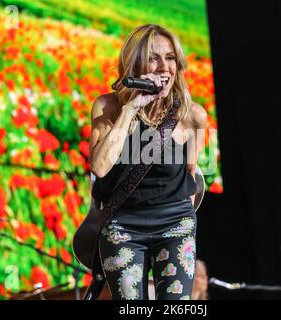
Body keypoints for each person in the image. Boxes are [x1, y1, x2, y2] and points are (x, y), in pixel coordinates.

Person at [88, 24, 207, 300]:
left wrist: (183, 223)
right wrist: (131, 109)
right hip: (123, 226)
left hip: (175, 223)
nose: (163, 67)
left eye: (170, 58)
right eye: (153, 58)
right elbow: (100, 166)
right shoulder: (107, 107)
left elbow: (192, 176)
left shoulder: (193, 116)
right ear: (134, 63)